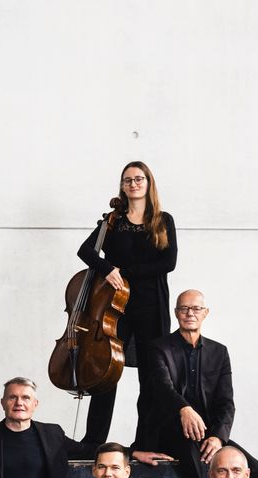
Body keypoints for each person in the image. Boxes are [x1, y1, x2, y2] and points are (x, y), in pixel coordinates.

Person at [73, 161, 177, 451]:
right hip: (114, 306)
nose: (133, 184)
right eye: (128, 180)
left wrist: (125, 272)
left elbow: (168, 262)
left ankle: (147, 441)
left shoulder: (163, 220)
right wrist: (107, 269)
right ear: (122, 185)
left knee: (151, 376)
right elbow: (85, 251)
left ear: (148, 183)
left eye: (139, 179)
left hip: (151, 306)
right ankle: (93, 440)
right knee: (106, 372)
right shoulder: (113, 221)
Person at [134, 290, 258, 478]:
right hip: (168, 432)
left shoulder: (219, 352)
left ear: (205, 313)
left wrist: (218, 438)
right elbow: (163, 389)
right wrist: (184, 409)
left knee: (257, 473)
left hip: (206, 436)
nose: (190, 313)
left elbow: (226, 403)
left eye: (196, 308)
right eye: (184, 308)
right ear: (176, 313)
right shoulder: (158, 348)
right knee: (201, 475)